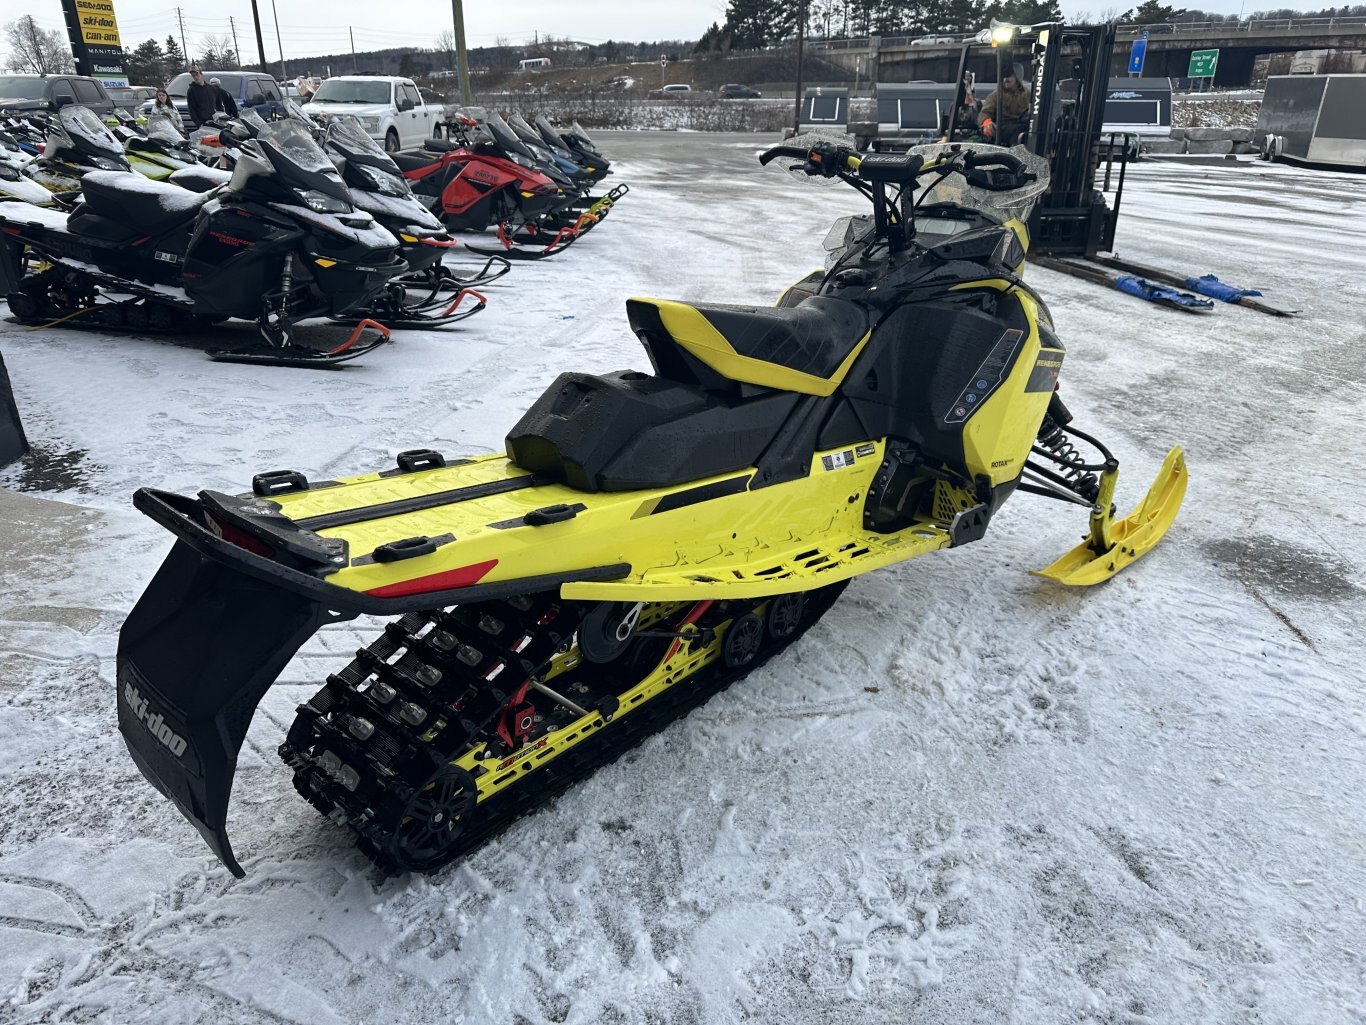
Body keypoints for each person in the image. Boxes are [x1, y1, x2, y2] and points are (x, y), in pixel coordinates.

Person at [978, 62, 1031, 146]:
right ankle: (1016, 152)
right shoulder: (996, 95)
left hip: (1022, 125)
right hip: (1003, 128)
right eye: (1004, 76)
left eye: (1010, 75)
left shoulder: (1027, 94)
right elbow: (985, 113)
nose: (1006, 79)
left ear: (1017, 77)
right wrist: (986, 122)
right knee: (1018, 130)